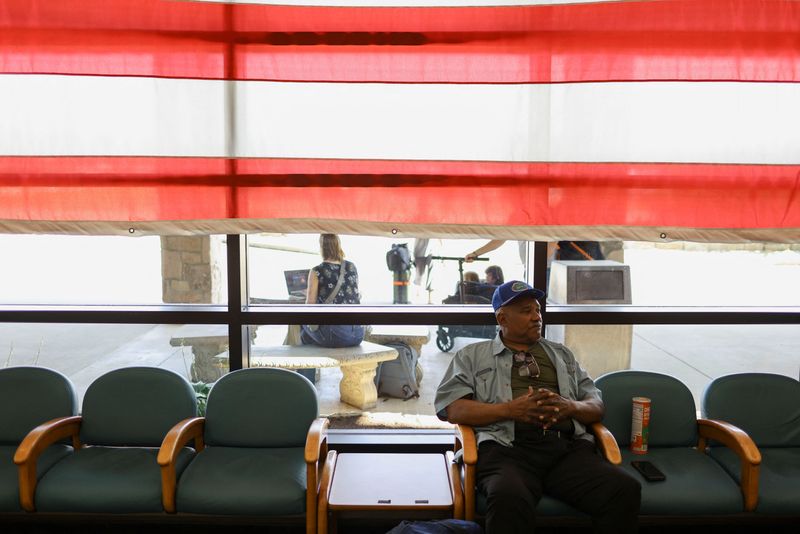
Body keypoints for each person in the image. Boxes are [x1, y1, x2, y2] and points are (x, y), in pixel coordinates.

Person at [434, 281, 640, 534]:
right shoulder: (473, 356)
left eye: (538, 310)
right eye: (526, 311)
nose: (536, 317)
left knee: (623, 489)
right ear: (502, 318)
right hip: (505, 450)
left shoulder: (562, 354)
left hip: (565, 451)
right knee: (508, 497)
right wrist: (510, 410)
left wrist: (571, 407)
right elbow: (452, 408)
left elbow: (596, 405)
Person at [301, 234, 364, 348]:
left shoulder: (317, 271)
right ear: (338, 245)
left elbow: (309, 307)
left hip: (337, 336)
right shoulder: (351, 266)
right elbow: (350, 293)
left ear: (321, 247)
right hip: (358, 334)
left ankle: (305, 364)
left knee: (303, 323)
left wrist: (309, 293)